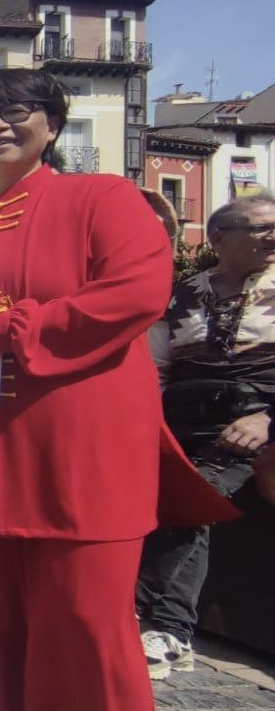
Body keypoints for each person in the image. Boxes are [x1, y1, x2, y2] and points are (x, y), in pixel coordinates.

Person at [0, 67, 235, 711]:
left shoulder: (104, 197)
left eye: (15, 111)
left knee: (86, 624)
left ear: (53, 126)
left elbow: (134, 296)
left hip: (80, 448)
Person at [137, 193, 275, 679]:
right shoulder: (179, 295)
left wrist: (268, 420)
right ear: (218, 237)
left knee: (191, 501)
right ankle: (167, 630)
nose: (273, 235)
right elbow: (155, 368)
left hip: (254, 422)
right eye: (259, 227)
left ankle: (162, 624)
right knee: (158, 497)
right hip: (182, 424)